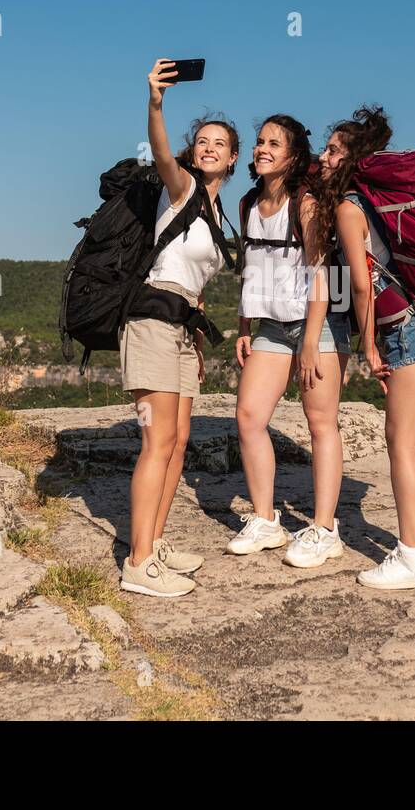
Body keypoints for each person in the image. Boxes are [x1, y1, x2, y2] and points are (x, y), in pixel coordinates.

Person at [314, 106, 415, 589]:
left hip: (407, 328)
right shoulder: (387, 200)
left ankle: (412, 556)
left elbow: (360, 286)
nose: (324, 155)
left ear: (353, 159)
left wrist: (369, 345)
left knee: (399, 442)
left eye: (333, 149)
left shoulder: (350, 207)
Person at [120, 58, 238, 597]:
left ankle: (155, 540)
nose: (210, 147)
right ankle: (138, 562)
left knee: (180, 439)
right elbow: (162, 149)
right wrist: (155, 102)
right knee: (158, 440)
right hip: (149, 319)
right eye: (204, 140)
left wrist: (197, 343)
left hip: (181, 327)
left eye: (221, 143)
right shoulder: (182, 187)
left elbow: (200, 283)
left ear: (234, 159)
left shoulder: (218, 217)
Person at [227, 115, 354, 568]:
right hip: (272, 327)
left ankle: (324, 529)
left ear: (293, 155)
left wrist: (311, 340)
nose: (262, 149)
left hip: (316, 324)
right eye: (260, 142)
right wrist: (244, 326)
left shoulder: (306, 204)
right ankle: (267, 521)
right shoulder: (247, 203)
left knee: (321, 422)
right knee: (249, 416)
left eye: (273, 144)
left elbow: (322, 274)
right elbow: (252, 270)